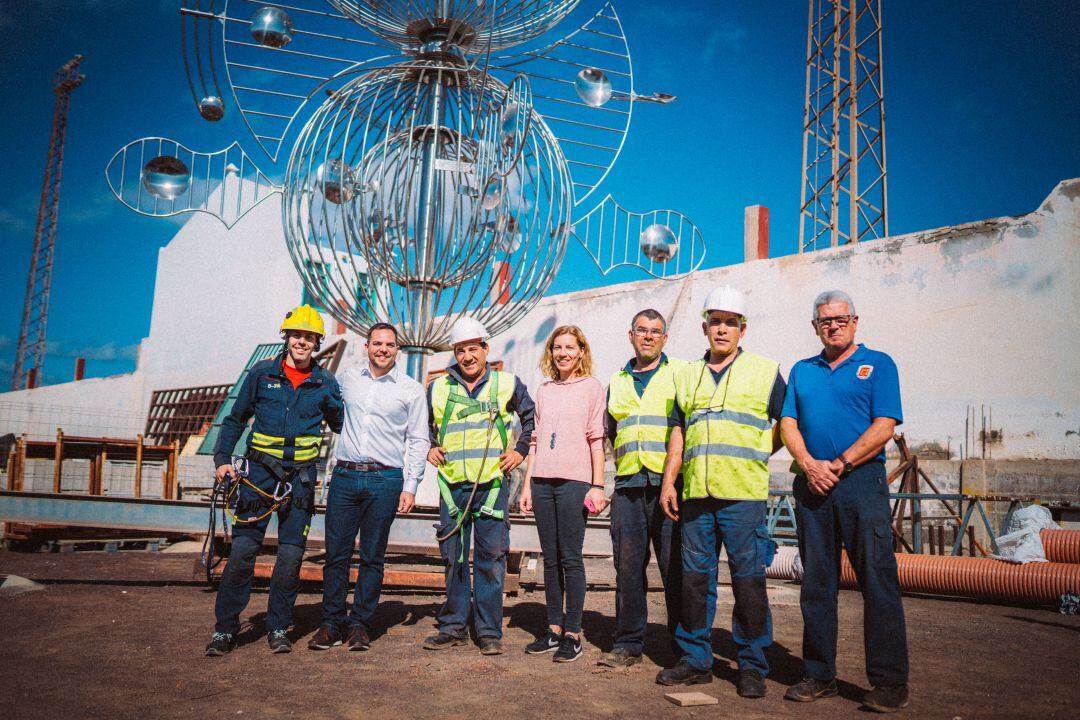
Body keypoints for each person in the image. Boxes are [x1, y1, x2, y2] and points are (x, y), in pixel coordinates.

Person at [780, 290, 910, 713]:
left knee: (877, 580)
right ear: (814, 326)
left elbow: (885, 426)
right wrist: (807, 463)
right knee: (817, 584)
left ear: (855, 321)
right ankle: (819, 675)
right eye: (824, 321)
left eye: (839, 319)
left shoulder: (878, 365)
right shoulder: (803, 370)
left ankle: (890, 683)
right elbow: (787, 423)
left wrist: (838, 464)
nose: (832, 326)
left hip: (860, 484)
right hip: (812, 488)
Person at [656, 286, 786, 699]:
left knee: (748, 582)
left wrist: (759, 452)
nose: (723, 329)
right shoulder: (685, 375)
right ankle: (696, 660)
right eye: (716, 321)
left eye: (731, 322)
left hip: (743, 495)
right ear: (704, 327)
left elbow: (787, 422)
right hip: (696, 495)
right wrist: (668, 481)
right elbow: (678, 431)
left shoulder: (765, 371)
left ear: (742, 329)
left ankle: (752, 664)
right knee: (694, 581)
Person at [205, 305, 344, 656]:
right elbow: (235, 419)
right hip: (257, 477)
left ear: (317, 342)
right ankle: (225, 630)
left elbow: (346, 426)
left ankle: (278, 626)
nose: (302, 341)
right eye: (296, 335)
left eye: (308, 337)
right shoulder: (262, 373)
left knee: (290, 558)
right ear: (286, 337)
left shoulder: (326, 384)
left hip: (300, 481)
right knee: (242, 552)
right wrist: (222, 459)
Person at [308, 322, 429, 652]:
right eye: (377, 343)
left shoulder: (410, 390)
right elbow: (326, 406)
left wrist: (411, 485)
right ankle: (331, 623)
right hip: (345, 477)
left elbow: (419, 440)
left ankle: (360, 623)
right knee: (336, 555)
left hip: (385, 480)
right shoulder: (347, 379)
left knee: (373, 556)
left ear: (397, 350)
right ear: (367, 346)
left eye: (389, 345)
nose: (383, 349)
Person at [423, 317, 535, 655]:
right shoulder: (439, 388)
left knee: (490, 558)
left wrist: (520, 450)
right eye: (461, 350)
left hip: (490, 486)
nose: (468, 356)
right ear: (454, 353)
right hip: (453, 486)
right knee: (454, 558)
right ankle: (454, 625)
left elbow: (531, 417)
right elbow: (425, 425)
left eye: (473, 349)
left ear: (486, 349)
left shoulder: (506, 384)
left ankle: (489, 632)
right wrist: (430, 445)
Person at [597, 309, 683, 669]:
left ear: (665, 338)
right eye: (642, 331)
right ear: (630, 334)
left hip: (670, 489)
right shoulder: (615, 382)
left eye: (656, 331)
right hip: (630, 487)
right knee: (628, 569)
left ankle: (684, 648)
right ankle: (628, 641)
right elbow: (611, 433)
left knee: (676, 568)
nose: (648, 336)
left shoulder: (680, 374)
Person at [519, 325, 607, 663]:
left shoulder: (591, 388)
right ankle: (553, 629)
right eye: (558, 347)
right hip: (543, 481)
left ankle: (573, 633)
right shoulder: (544, 390)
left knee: (571, 557)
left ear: (581, 351)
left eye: (570, 347)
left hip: (575, 482)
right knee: (549, 557)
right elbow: (536, 442)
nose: (563, 353)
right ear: (551, 352)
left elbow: (596, 440)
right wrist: (527, 485)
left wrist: (597, 485)